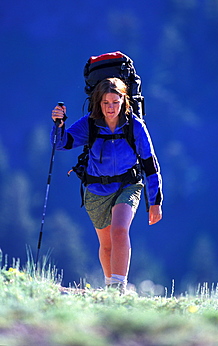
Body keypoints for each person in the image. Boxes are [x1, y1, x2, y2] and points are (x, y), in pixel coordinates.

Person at [51, 77, 163, 293]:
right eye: (105, 103)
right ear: (97, 103)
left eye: (115, 102)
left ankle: (117, 289)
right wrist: (59, 125)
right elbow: (62, 143)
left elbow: (150, 165)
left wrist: (155, 202)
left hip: (128, 186)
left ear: (124, 101)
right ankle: (110, 285)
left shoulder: (135, 127)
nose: (110, 108)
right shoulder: (90, 124)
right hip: (96, 191)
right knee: (107, 244)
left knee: (120, 231)